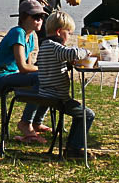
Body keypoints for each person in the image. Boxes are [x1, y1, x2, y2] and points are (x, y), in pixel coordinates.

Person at [35, 10, 96, 157]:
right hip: (57, 97)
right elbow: (73, 53)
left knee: (81, 114)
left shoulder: (45, 46)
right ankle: (74, 148)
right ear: (58, 32)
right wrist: (86, 51)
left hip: (45, 94)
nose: (69, 37)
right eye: (68, 33)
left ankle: (72, 145)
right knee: (87, 114)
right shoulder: (54, 47)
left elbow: (56, 63)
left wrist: (67, 64)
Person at [0, 0, 45, 143]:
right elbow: (23, 67)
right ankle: (26, 123)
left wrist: (46, 71)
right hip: (0, 78)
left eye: (42, 17)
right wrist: (45, 69)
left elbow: (29, 67)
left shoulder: (30, 36)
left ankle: (37, 122)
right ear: (24, 17)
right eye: (36, 17)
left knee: (49, 78)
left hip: (14, 76)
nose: (39, 20)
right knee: (43, 77)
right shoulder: (17, 32)